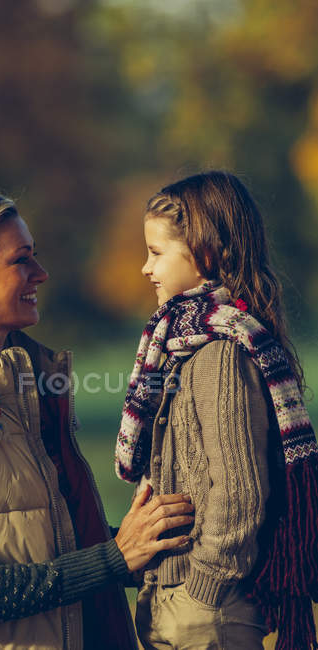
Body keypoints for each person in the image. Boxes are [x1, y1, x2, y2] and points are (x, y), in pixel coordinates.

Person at [0, 188, 195, 650]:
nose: (41, 274)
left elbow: (43, 542)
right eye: (21, 260)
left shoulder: (26, 381)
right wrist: (117, 557)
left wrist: (156, 544)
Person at [115, 171, 318, 650]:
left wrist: (203, 588)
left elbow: (240, 489)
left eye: (157, 253)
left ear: (205, 252)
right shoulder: (180, 347)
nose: (146, 268)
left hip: (207, 610)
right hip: (172, 596)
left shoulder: (220, 354)